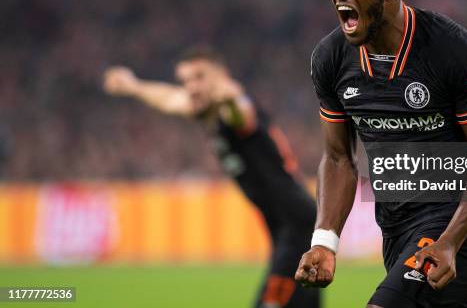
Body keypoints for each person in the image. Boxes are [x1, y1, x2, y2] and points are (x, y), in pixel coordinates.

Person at [295, 0, 467, 308]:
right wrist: (324, 241)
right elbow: (339, 157)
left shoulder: (451, 50)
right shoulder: (330, 58)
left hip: (460, 224)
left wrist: (449, 242)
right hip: (396, 229)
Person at [103, 47, 320, 308]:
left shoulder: (233, 109)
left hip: (297, 231)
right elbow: (171, 99)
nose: (192, 88)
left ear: (221, 77)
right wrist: (133, 86)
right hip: (285, 230)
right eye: (186, 81)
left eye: (199, 77)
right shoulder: (208, 111)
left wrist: (230, 98)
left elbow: (241, 113)